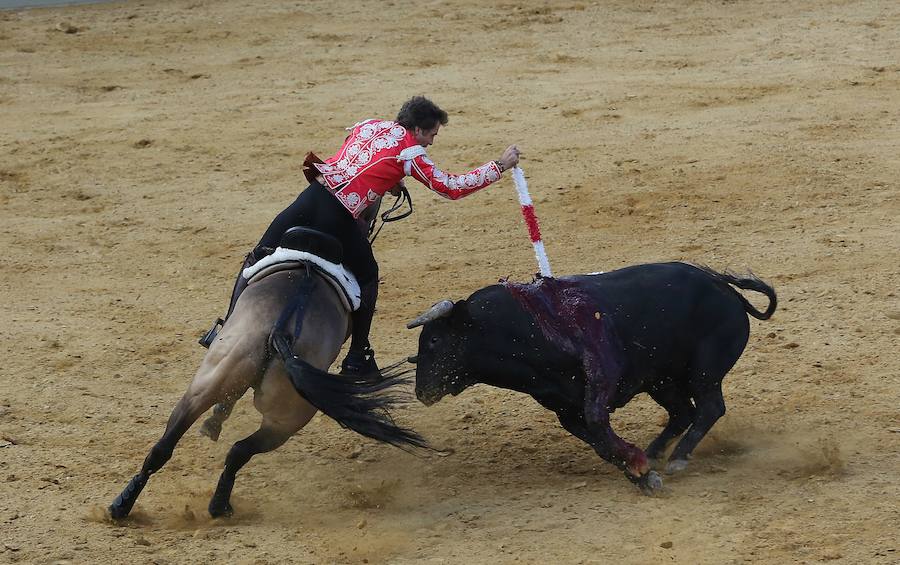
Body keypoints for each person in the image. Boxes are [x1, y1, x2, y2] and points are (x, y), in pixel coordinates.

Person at [200, 96, 521, 375]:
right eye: (431, 135)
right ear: (419, 129)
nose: (431, 142)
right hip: (338, 216)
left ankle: (225, 330)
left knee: (258, 254)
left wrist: (388, 178)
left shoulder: (367, 125)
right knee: (368, 276)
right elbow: (451, 187)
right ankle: (358, 355)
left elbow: (363, 160)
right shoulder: (411, 153)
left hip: (310, 198)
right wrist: (500, 165)